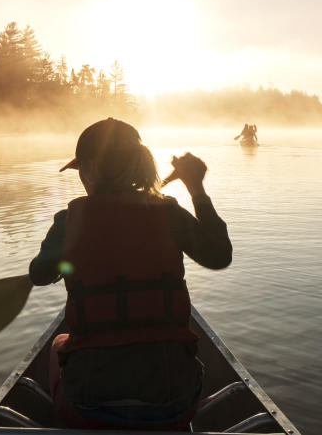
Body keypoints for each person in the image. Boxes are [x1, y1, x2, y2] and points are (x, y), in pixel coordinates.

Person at [29, 118, 232, 430]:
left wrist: (65, 251)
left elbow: (39, 274)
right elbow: (219, 256)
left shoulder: (68, 222)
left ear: (90, 169)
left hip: (88, 404)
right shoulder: (168, 213)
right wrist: (196, 188)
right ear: (138, 165)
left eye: (80, 169)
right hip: (175, 402)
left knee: (59, 343)